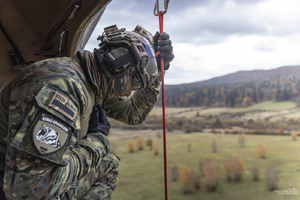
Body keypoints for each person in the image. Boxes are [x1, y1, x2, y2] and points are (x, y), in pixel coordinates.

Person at [0, 24, 174, 200]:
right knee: (105, 163)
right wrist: (97, 142)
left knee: (108, 164)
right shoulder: (65, 89)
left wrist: (159, 69)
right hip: (12, 184)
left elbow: (133, 113)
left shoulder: (91, 79)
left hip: (21, 174)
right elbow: (28, 190)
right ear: (120, 70)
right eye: (134, 84)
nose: (129, 92)